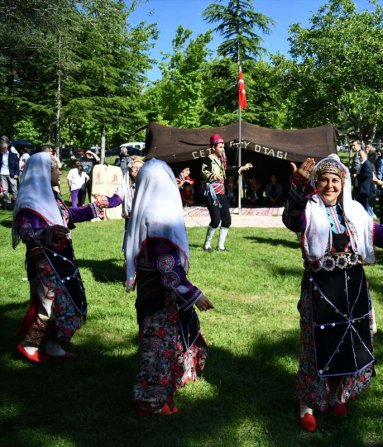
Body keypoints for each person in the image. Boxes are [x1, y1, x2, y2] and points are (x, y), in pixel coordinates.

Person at [282, 155, 383, 432]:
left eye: (335, 180)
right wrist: (297, 188)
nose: (329, 185)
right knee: (316, 344)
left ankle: (338, 396)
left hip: (353, 286)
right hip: (320, 288)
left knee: (348, 342)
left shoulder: (354, 210)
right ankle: (307, 404)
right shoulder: (308, 208)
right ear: (316, 182)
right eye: (323, 180)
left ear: (343, 183)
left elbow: (376, 233)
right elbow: (291, 220)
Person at [124, 158, 214, 416]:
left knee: (159, 343)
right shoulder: (160, 218)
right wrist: (193, 294)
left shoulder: (146, 212)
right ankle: (151, 401)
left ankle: (161, 395)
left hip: (150, 293)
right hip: (160, 296)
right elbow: (167, 267)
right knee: (159, 348)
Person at [12, 152, 109, 363]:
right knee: (53, 305)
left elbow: (68, 216)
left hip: (63, 260)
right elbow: (25, 231)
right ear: (44, 172)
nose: (60, 172)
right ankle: (30, 344)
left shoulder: (52, 197)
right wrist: (48, 232)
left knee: (69, 303)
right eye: (56, 169)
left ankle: (54, 346)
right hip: (45, 263)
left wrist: (94, 207)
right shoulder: (29, 201)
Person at [200, 134, 252, 251]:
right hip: (212, 194)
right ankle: (207, 245)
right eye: (220, 147)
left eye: (223, 147)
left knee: (227, 220)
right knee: (215, 220)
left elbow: (228, 169)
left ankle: (220, 246)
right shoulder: (208, 159)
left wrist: (242, 168)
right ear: (213, 148)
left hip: (222, 194)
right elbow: (204, 172)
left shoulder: (221, 160)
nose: (223, 149)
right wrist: (214, 176)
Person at [354, 149, 379, 218]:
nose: (359, 157)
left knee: (365, 209)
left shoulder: (366, 163)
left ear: (365, 155)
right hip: (362, 189)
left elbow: (368, 175)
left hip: (365, 190)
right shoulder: (364, 163)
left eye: (360, 155)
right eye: (358, 155)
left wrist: (357, 175)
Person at [1, 136, 19, 208]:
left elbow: (17, 166)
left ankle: (16, 201)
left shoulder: (13, 155)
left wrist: (16, 174)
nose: (3, 149)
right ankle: (7, 202)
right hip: (2, 173)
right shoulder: (1, 155)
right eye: (2, 148)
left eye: (4, 148)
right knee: (5, 190)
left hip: (11, 174)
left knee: (14, 189)